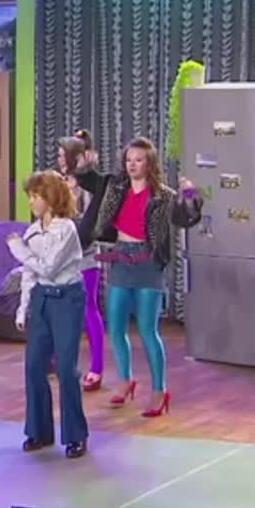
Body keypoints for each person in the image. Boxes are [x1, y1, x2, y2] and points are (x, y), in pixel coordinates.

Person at [76, 137, 202, 418]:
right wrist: (84, 167)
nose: (132, 165)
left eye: (138, 160)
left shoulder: (163, 196)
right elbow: (89, 181)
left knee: (147, 331)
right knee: (116, 328)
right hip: (121, 260)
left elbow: (187, 218)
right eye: (129, 160)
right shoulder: (115, 187)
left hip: (148, 264)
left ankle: (159, 390)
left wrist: (190, 193)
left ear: (150, 164)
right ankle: (125, 380)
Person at [10, 170, 89, 459]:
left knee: (66, 369)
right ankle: (39, 431)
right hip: (42, 299)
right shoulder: (32, 231)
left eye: (36, 196)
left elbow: (49, 268)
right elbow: (30, 274)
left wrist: (18, 250)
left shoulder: (66, 230)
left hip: (67, 299)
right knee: (33, 366)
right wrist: (23, 308)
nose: (31, 201)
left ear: (51, 198)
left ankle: (76, 436)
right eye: (30, 196)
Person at [57, 131, 105, 392]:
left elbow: (91, 221)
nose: (60, 160)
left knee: (88, 307)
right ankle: (60, 359)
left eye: (63, 156)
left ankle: (97, 367)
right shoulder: (57, 182)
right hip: (61, 255)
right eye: (59, 156)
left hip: (86, 253)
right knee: (61, 308)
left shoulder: (89, 187)